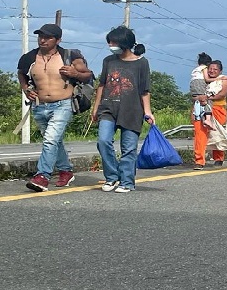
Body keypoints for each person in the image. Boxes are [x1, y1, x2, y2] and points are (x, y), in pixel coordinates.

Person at [17, 23, 93, 192]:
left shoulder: (70, 56)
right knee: (54, 141)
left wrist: (75, 74)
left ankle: (42, 176)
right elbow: (21, 73)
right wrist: (26, 89)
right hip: (39, 105)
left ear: (58, 40)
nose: (42, 40)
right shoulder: (29, 57)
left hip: (63, 104)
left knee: (50, 140)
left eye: (47, 37)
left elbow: (88, 75)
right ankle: (66, 171)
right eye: (40, 37)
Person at [92, 26, 154, 193]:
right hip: (108, 108)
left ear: (125, 43)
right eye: (110, 42)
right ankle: (111, 177)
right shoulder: (108, 61)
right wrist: (95, 108)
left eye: (114, 42)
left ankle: (127, 181)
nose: (111, 45)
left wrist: (147, 111)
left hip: (132, 110)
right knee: (103, 141)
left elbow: (144, 90)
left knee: (129, 148)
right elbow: (102, 85)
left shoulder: (142, 63)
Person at [193, 60, 227, 169]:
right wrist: (200, 98)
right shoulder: (202, 80)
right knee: (200, 134)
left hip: (218, 109)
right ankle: (199, 160)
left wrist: (207, 98)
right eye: (210, 69)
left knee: (217, 134)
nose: (212, 71)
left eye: (215, 69)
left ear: (220, 71)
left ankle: (219, 158)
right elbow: (194, 94)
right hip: (201, 108)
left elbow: (222, 94)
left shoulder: (224, 79)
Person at [190, 52, 214, 129]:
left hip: (193, 86)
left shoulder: (195, 70)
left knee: (199, 103)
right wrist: (217, 79)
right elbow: (207, 79)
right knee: (207, 99)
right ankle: (207, 119)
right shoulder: (204, 68)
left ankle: (202, 120)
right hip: (200, 83)